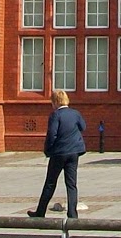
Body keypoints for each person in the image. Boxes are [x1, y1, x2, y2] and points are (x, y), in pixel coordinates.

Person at [28, 90, 86, 218]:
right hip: (74, 152)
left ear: (55, 102)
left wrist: (47, 150)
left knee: (50, 182)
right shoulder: (75, 113)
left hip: (59, 153)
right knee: (71, 184)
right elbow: (83, 126)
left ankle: (40, 212)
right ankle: (72, 214)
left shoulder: (56, 115)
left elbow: (52, 135)